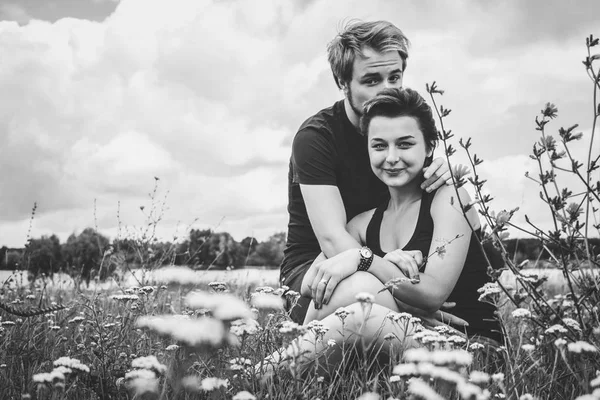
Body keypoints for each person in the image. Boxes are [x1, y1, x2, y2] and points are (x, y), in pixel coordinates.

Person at [280, 20, 453, 324]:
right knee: (364, 290)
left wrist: (445, 175)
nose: (386, 89)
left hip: (390, 260)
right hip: (315, 269)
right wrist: (388, 272)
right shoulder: (317, 138)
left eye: (395, 77)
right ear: (342, 82)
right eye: (371, 80)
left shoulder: (406, 133)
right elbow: (333, 241)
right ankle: (283, 368)